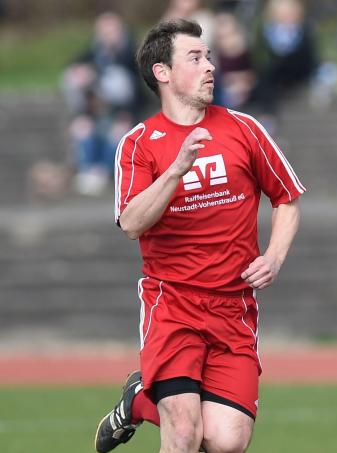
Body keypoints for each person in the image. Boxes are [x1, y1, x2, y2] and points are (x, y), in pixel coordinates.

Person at [93, 19, 304, 453]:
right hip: (172, 304)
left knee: (226, 442)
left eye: (209, 56)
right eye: (195, 57)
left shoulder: (244, 129)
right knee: (185, 433)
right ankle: (157, 398)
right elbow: (132, 223)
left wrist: (275, 257)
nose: (210, 66)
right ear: (162, 73)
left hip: (234, 307)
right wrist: (175, 170)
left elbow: (286, 198)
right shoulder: (139, 144)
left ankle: (140, 399)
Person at [61, 11, 141, 195]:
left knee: (118, 131)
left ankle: (104, 172)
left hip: (123, 114)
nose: (108, 36)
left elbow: (132, 90)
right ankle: (88, 169)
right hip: (95, 114)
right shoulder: (94, 53)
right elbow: (73, 68)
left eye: (112, 31)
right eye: (104, 32)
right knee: (81, 127)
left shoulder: (132, 54)